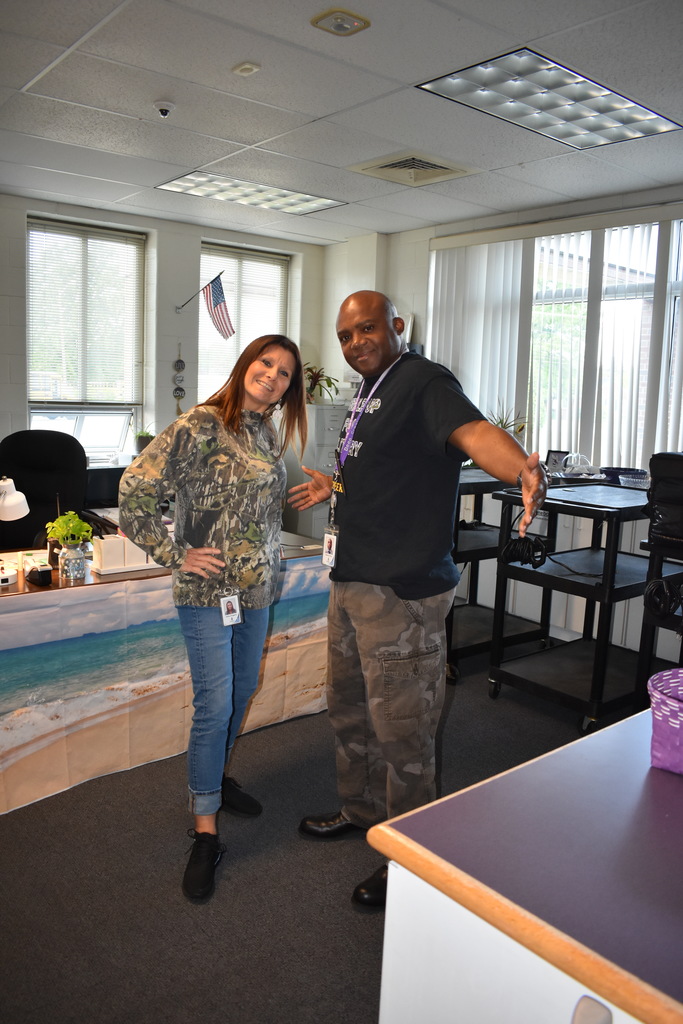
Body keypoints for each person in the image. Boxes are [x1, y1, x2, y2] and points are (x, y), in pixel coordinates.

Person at [288, 291, 547, 909]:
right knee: (349, 709)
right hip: (352, 582)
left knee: (402, 730)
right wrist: (336, 483)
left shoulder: (424, 381)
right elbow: (391, 469)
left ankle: (409, 856)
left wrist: (522, 472)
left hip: (401, 596)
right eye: (346, 336)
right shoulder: (370, 392)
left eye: (367, 329)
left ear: (396, 326)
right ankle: (361, 810)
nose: (356, 344)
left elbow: (476, 432)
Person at [119, 334, 307, 901]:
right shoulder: (199, 424)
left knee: (243, 689)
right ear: (245, 363)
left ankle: (217, 778)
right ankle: (205, 829)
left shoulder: (267, 431)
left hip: (255, 592)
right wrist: (178, 553)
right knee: (215, 703)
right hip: (205, 592)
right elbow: (133, 492)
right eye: (265, 363)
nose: (272, 376)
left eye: (284, 373)